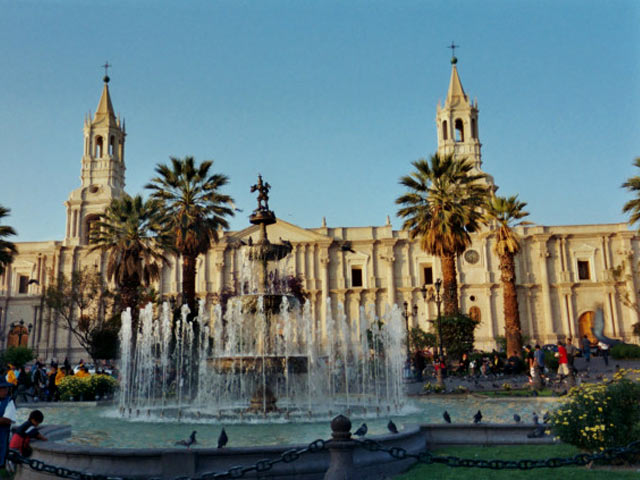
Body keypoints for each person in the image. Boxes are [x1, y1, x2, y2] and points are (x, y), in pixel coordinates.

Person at [0, 380, 17, 466]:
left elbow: (7, 420)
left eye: (6, 389)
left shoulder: (9, 402)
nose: (6, 391)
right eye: (4, 389)